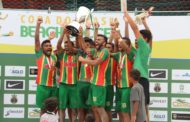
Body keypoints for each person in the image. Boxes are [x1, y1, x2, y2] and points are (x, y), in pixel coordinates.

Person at [124, 9, 153, 122]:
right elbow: (126, 40)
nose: (137, 38)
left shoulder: (144, 47)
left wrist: (127, 14)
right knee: (141, 105)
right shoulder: (140, 51)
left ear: (144, 39)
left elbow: (135, 28)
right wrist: (144, 21)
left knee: (142, 106)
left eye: (139, 37)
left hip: (141, 79)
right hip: (138, 79)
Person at [78, 34, 110, 122]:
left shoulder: (105, 51)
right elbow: (85, 48)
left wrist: (83, 60)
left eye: (99, 40)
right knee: (94, 108)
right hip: (93, 83)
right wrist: (80, 36)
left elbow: (96, 62)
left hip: (99, 84)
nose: (96, 41)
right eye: (96, 39)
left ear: (104, 43)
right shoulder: (96, 51)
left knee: (100, 109)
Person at [35, 17, 58, 116]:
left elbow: (48, 46)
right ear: (41, 48)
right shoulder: (40, 56)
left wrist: (49, 39)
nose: (49, 47)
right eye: (46, 46)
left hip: (53, 87)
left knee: (54, 110)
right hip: (42, 87)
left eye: (50, 46)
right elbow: (37, 40)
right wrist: (38, 25)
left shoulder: (54, 56)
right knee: (43, 109)